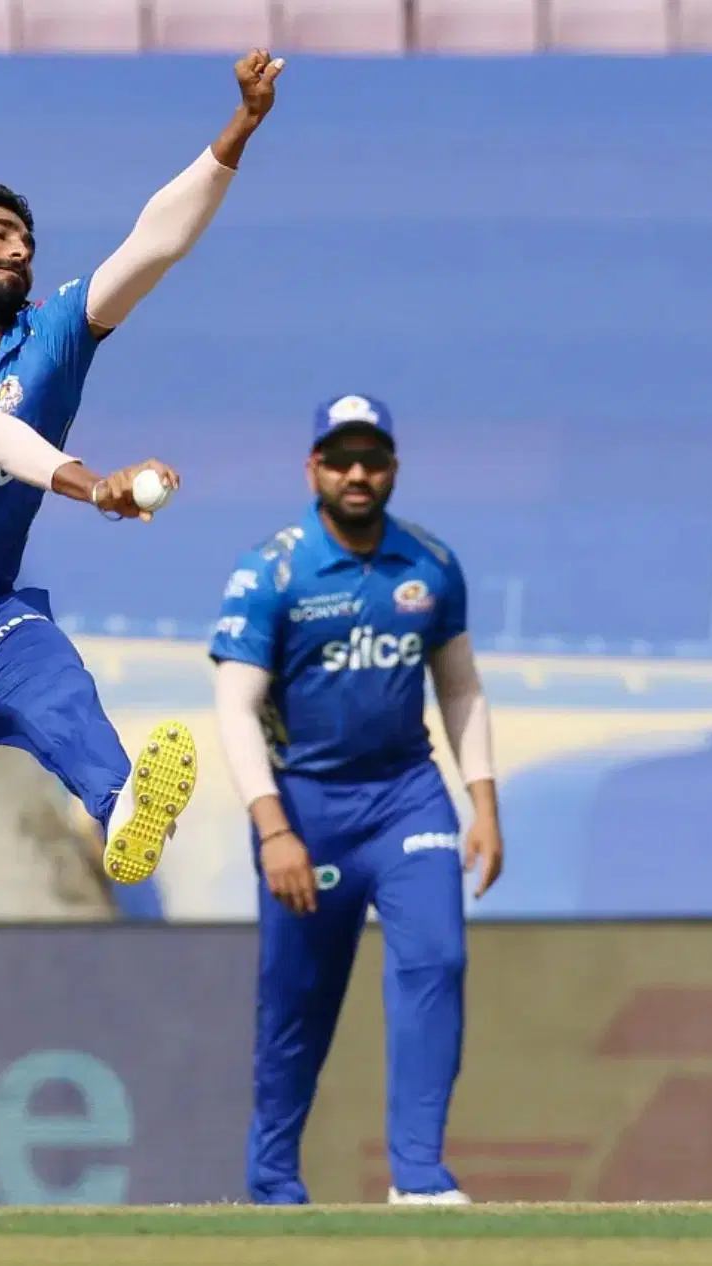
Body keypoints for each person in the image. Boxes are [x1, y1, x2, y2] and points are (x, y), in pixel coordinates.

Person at [0, 50, 285, 1209]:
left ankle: (119, 800)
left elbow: (153, 242)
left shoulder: (56, 339)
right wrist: (94, 485)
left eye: (26, 236)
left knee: (46, 665)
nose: (18, 248)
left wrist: (234, 134)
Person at [209, 393, 505, 1206]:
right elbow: (235, 707)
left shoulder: (430, 565)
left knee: (437, 958)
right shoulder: (272, 570)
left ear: (393, 468)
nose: (357, 474)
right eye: (340, 459)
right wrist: (274, 831)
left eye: (372, 458)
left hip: (408, 797)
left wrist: (483, 804)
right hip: (307, 808)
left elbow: (461, 690)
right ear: (313, 468)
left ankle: (418, 1174)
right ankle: (273, 1181)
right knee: (298, 1002)